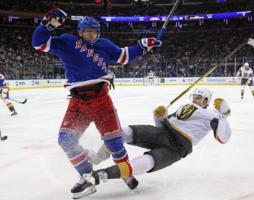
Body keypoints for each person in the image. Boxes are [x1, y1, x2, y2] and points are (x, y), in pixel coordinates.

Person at [31, 8, 161, 199]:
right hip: (78, 102)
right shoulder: (67, 41)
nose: (91, 35)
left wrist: (142, 46)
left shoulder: (104, 44)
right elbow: (39, 43)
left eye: (94, 31)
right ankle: (86, 176)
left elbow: (123, 56)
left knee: (115, 143)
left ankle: (126, 173)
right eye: (87, 31)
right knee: (65, 140)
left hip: (102, 101)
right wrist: (47, 24)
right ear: (80, 32)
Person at [81, 87, 232, 193]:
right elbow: (162, 123)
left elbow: (223, 138)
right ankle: (97, 157)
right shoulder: (185, 106)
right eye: (195, 97)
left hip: (177, 147)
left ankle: (101, 175)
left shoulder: (212, 116)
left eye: (201, 98)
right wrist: (159, 117)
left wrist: (223, 115)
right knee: (125, 132)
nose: (197, 100)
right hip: (162, 132)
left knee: (146, 162)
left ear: (206, 101)